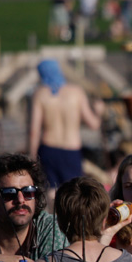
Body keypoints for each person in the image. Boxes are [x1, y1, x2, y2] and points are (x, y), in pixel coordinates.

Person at [28, 59, 105, 197]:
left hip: (48, 147)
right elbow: (94, 124)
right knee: (73, 192)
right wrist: (98, 112)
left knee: (52, 191)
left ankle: (53, 218)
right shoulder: (76, 92)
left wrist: (33, 158)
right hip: (71, 149)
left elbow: (34, 131)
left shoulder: (40, 94)